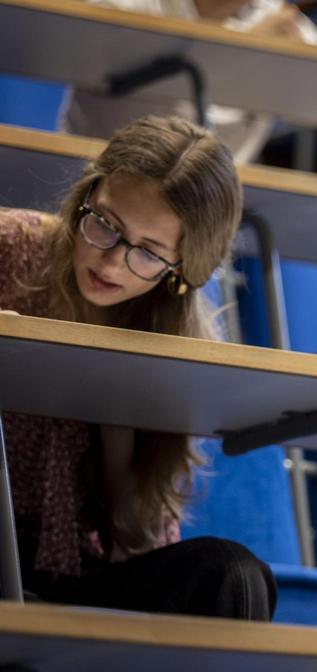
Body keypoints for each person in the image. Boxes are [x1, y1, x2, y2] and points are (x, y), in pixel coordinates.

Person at [0, 115, 275, 620]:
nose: (110, 264)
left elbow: (135, 538)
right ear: (87, 194)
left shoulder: (170, 342)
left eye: (147, 253)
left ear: (181, 272)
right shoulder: (11, 245)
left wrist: (119, 417)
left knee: (232, 576)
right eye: (104, 224)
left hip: (80, 577)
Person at [60, 0, 317, 164]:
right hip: (97, 173)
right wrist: (244, 48)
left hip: (211, 201)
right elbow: (88, 61)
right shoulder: (126, 5)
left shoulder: (278, 20)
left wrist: (296, 65)